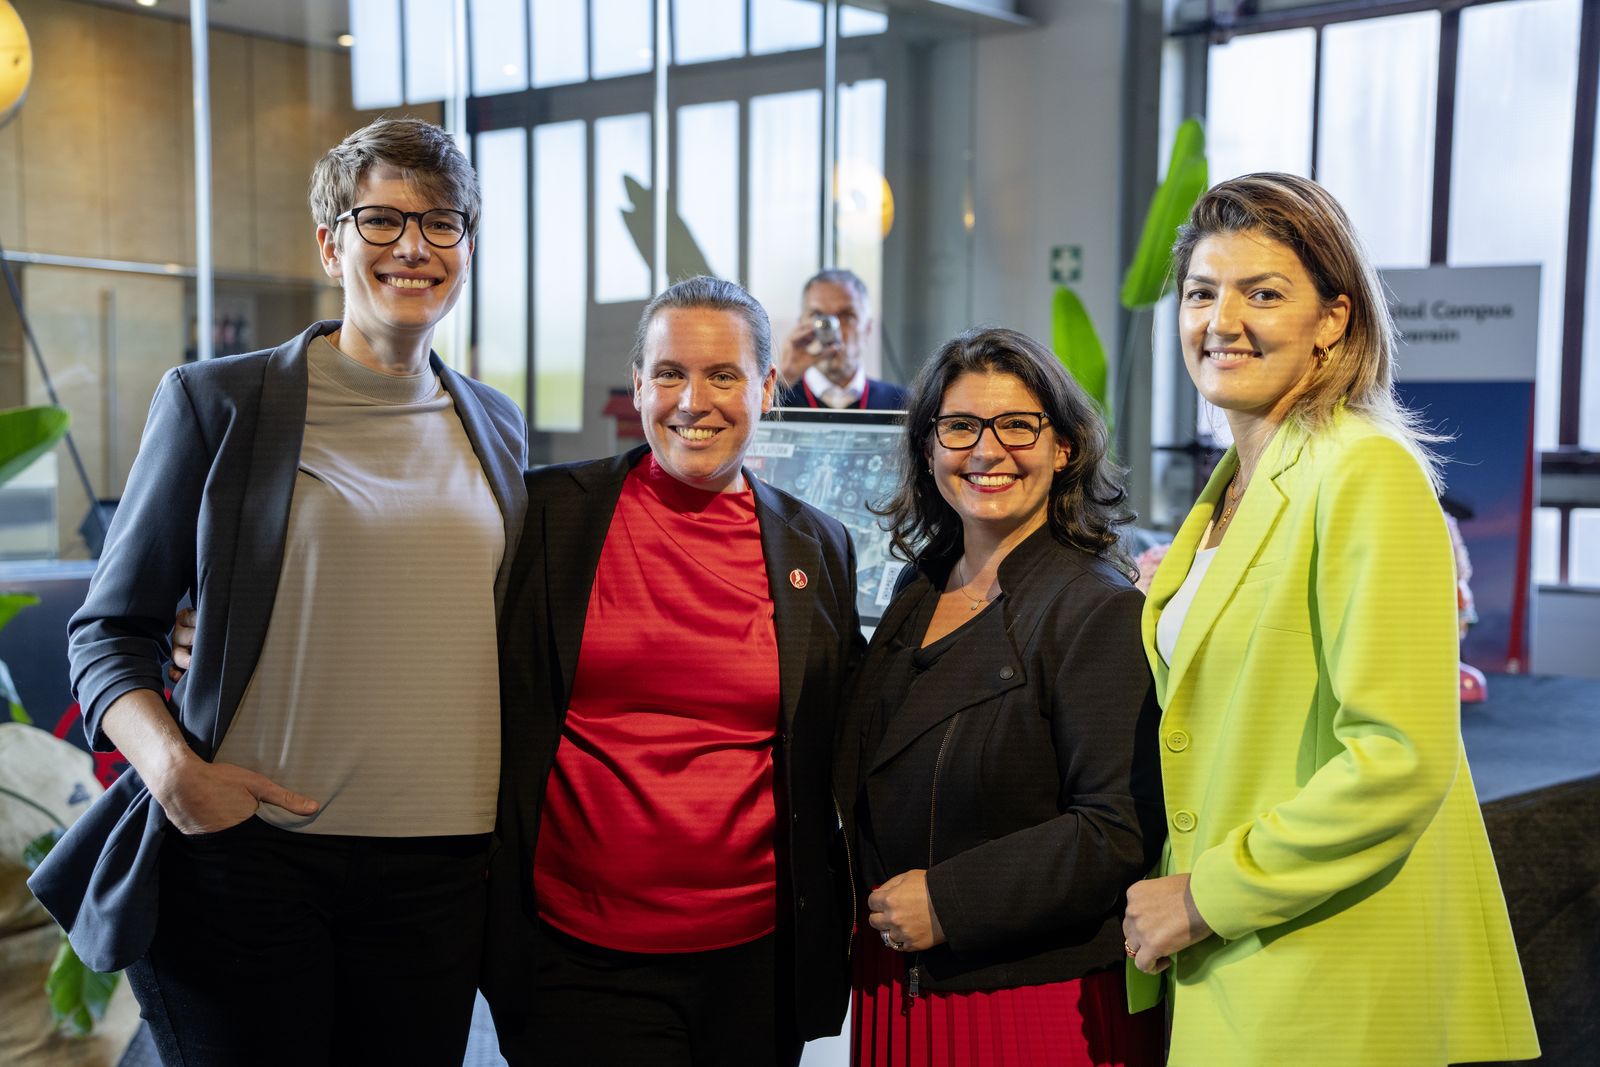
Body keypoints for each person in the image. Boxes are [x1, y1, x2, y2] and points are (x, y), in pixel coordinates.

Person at [28, 117, 528, 1066]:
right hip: (251, 858)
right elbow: (109, 631)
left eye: (442, 223)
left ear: (467, 248)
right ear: (330, 244)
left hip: (441, 874)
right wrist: (176, 775)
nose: (414, 247)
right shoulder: (219, 402)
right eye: (381, 220)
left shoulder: (494, 425)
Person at [1121, 173, 1539, 1066]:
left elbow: (1397, 756)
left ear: (1334, 319)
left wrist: (1204, 895)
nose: (1221, 320)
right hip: (1242, 960)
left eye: (1263, 293)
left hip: (1322, 966)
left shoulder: (1363, 468)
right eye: (1201, 292)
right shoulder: (1238, 481)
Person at [483, 276, 863, 1066]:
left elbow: (851, 725)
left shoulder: (818, 546)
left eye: (723, 375)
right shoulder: (549, 515)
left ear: (766, 387)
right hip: (579, 960)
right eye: (669, 373)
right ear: (637, 386)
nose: (694, 401)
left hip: (757, 964)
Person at [833, 326, 1167, 1066]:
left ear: (1064, 447)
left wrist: (949, 901)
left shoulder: (1098, 607)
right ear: (929, 448)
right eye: (960, 426)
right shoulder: (920, 585)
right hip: (896, 987)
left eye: (1018, 425)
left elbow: (1116, 828)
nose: (987, 451)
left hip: (1027, 1001)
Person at [776, 268, 909, 410]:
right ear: (801, 325)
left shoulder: (901, 403)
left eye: (847, 316)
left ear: (868, 329)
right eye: (818, 316)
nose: (833, 329)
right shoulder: (776, 399)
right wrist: (783, 379)